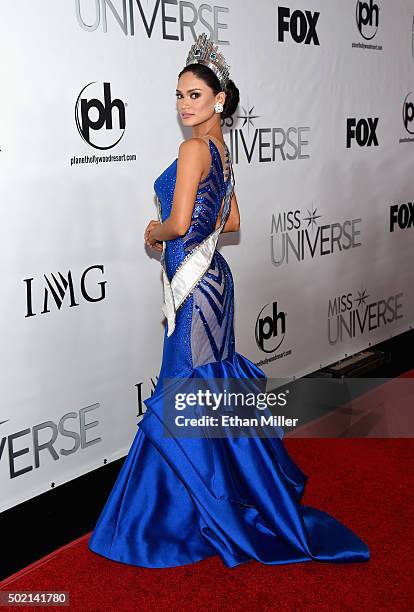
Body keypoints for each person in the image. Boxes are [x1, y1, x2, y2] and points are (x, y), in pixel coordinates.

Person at [87, 33, 370, 568]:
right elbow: (232, 221)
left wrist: (156, 229)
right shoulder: (221, 151)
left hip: (194, 286)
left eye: (193, 95)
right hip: (215, 277)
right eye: (178, 95)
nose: (183, 104)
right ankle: (228, 492)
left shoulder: (193, 149)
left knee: (186, 388)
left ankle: (176, 515)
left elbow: (176, 221)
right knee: (208, 384)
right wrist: (191, 230)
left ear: (218, 99)